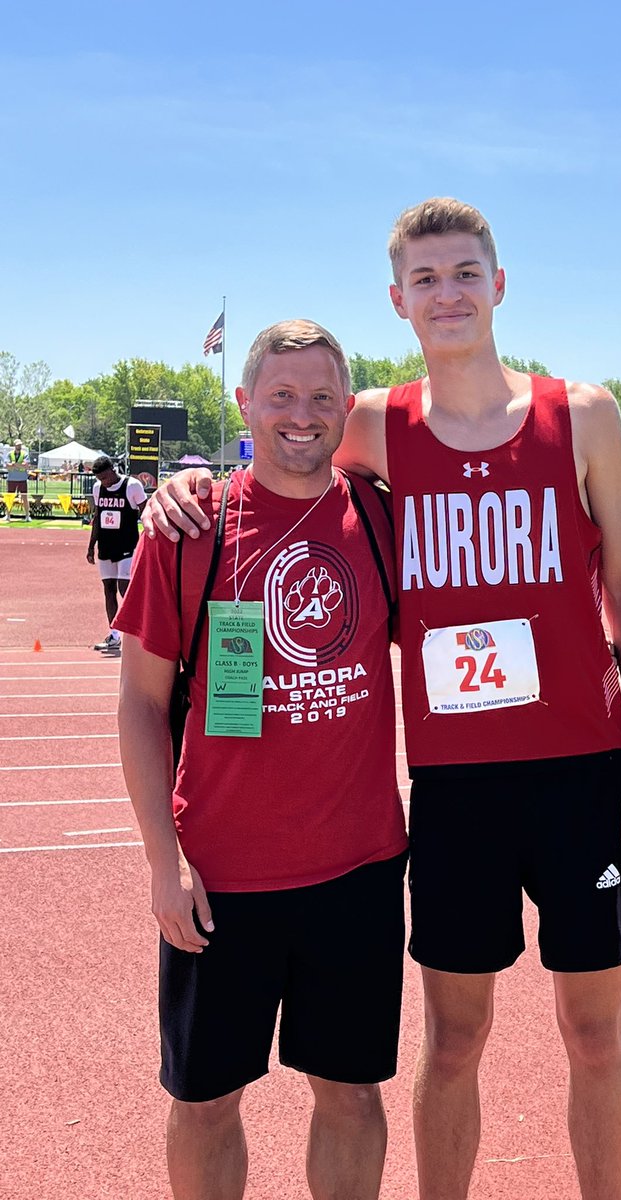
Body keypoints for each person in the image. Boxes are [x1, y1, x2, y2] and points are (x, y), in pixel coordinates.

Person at [143, 197, 621, 1200]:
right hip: (455, 787)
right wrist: (193, 483)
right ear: (398, 300)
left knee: (596, 1032)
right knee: (454, 1040)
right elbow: (278, 458)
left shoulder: (584, 415)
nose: (448, 294)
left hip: (583, 774)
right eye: (426, 280)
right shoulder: (376, 425)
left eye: (466, 273)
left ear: (500, 284)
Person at [115, 320, 408, 1200]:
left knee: (352, 1096)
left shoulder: (383, 514)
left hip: (357, 872)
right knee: (205, 1103)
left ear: (345, 410)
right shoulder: (191, 527)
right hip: (221, 876)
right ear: (244, 404)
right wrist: (164, 864)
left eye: (322, 397)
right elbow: (137, 701)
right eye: (280, 395)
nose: (302, 415)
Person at [86, 456, 147, 653]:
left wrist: (148, 543)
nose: (103, 482)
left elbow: (146, 513)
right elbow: (97, 517)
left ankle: (136, 633)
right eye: (99, 479)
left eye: (105, 477)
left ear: (113, 470)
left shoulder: (132, 486)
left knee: (125, 590)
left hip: (128, 546)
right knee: (109, 590)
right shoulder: (98, 489)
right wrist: (91, 546)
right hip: (106, 547)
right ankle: (114, 635)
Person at [4, 438, 30, 518]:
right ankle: (7, 515)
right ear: (15, 445)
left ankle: (27, 515)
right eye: (18, 445)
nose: (19, 446)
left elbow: (26, 466)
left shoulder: (25, 454)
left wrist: (14, 464)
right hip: (11, 479)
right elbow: (7, 466)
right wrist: (19, 465)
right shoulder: (9, 454)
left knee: (24, 497)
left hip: (22, 479)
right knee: (9, 498)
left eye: (20, 445)